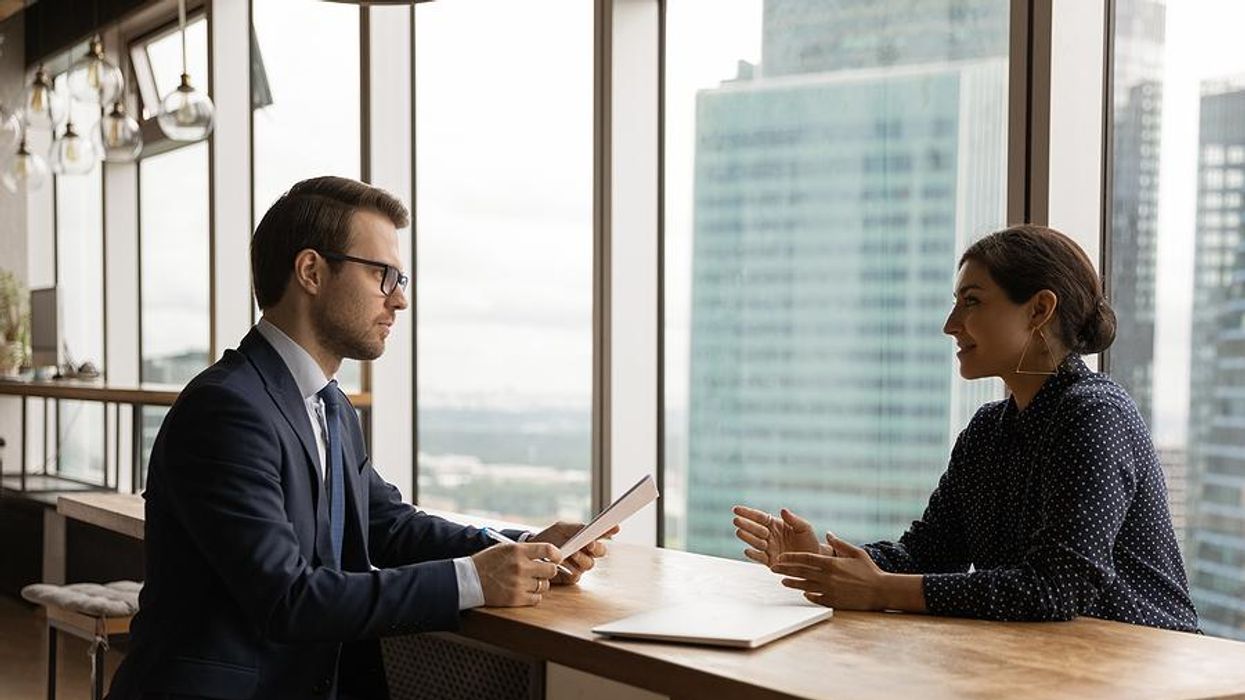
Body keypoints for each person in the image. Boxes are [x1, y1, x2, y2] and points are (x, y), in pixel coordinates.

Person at [107, 176, 613, 699]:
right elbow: (288, 598)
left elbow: (387, 526)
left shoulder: (330, 407)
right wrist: (474, 581)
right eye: (384, 275)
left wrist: (525, 547)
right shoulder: (227, 409)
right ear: (311, 271)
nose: (400, 300)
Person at [732, 224, 1198, 632]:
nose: (950, 325)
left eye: (971, 302)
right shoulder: (988, 429)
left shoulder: (1094, 414)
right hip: (1051, 667)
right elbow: (930, 553)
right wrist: (822, 561)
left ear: (1039, 310)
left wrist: (881, 591)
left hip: (1146, 671)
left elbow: (1057, 588)